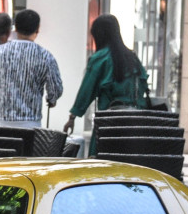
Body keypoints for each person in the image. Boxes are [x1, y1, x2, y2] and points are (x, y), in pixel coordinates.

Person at [63, 14, 149, 152]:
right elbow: (143, 89)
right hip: (135, 122)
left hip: (109, 122)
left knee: (101, 160)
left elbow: (87, 91)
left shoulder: (100, 58)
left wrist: (72, 117)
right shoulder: (132, 58)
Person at [0, 9, 63, 129]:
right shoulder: (45, 56)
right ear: (37, 29)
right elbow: (55, 89)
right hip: (30, 124)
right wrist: (51, 99)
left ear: (15, 28)